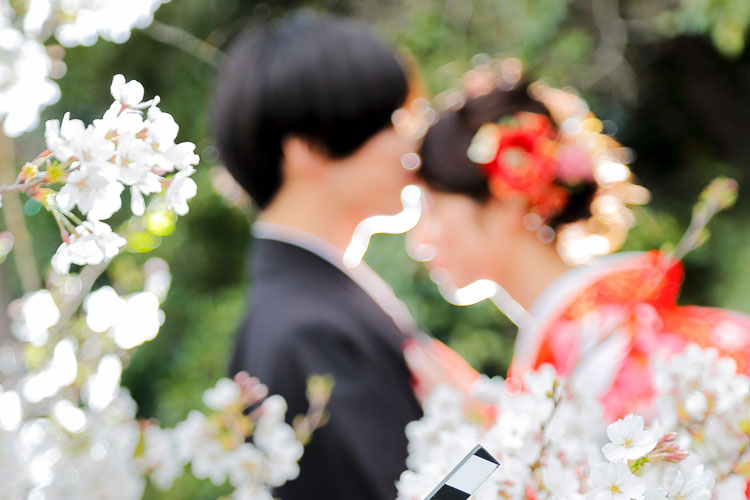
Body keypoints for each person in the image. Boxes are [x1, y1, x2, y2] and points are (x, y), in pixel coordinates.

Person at [409, 64, 750, 420]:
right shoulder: (571, 350)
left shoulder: (608, 349)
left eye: (430, 207)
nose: (420, 242)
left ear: (507, 201)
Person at [212, 12, 423, 500]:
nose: (411, 144)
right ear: (306, 148)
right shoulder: (304, 330)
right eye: (390, 122)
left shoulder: (311, 302)